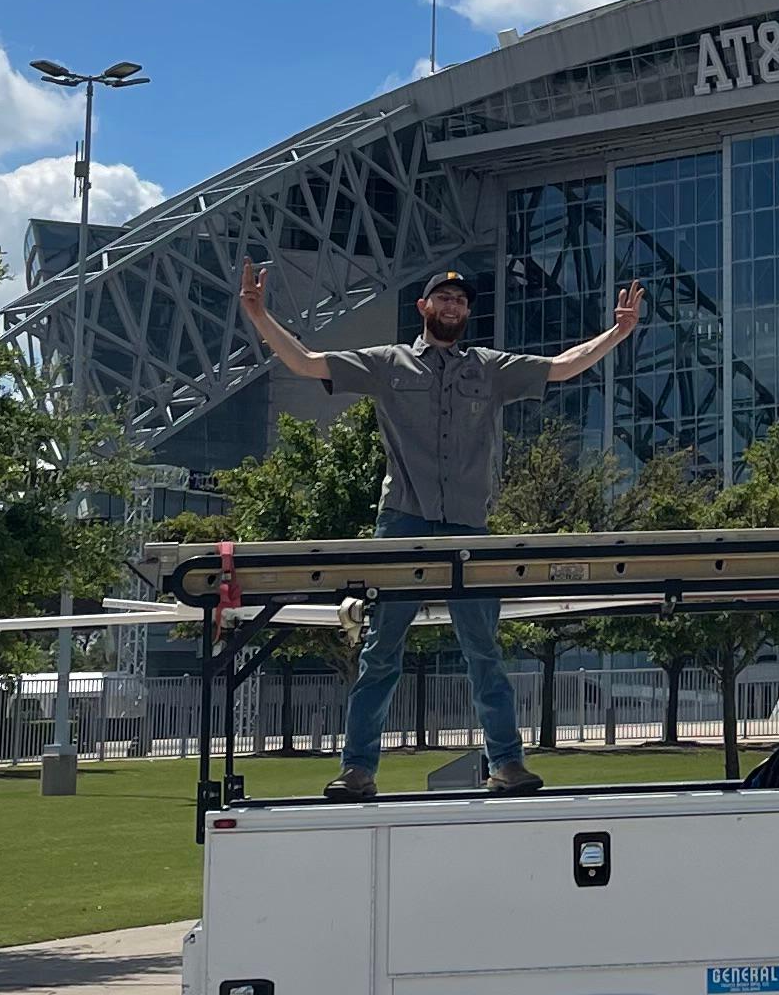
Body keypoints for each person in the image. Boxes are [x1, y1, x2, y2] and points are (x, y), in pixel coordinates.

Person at [235, 257, 641, 799]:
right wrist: (259, 314)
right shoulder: (388, 363)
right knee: (382, 650)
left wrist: (617, 332)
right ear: (423, 307)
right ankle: (357, 769)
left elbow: (562, 366)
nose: (453, 306)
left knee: (484, 651)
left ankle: (507, 764)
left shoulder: (489, 368)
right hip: (403, 520)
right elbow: (307, 363)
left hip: (468, 527)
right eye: (443, 299)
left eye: (461, 301)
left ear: (467, 313)